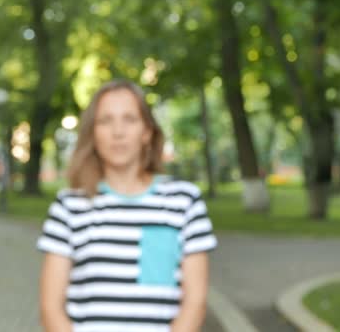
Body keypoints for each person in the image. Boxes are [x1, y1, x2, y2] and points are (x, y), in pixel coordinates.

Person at [37, 80, 217, 332]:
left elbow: (195, 303)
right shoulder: (69, 207)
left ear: (147, 132)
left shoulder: (183, 202)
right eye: (105, 121)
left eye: (129, 119)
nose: (117, 131)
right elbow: (50, 308)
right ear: (93, 133)